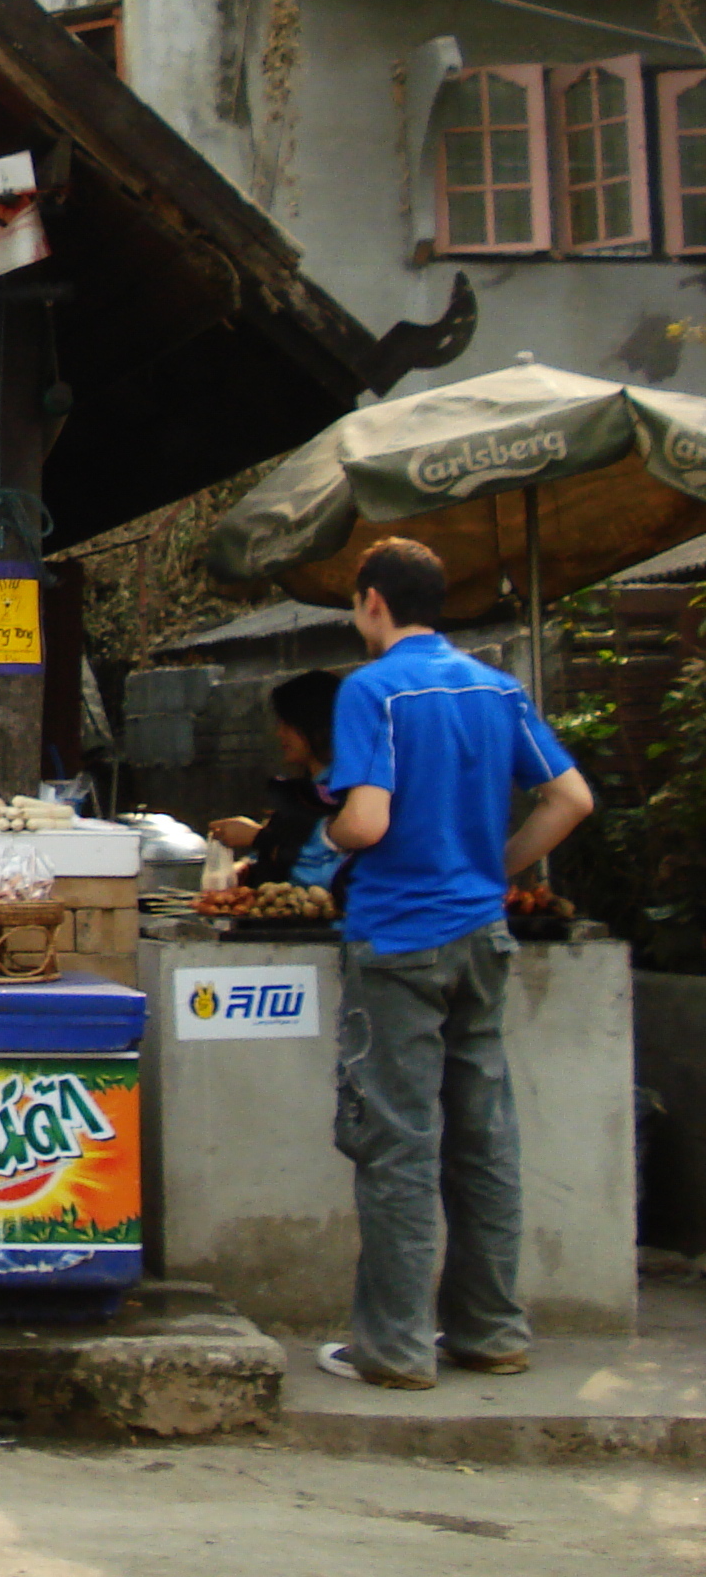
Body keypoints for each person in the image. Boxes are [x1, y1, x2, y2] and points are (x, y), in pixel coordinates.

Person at [317, 536, 596, 1389]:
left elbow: (365, 822)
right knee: (483, 1138)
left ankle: (395, 1348)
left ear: (372, 600)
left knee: (396, 1144)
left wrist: (328, 838)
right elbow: (571, 797)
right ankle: (489, 1331)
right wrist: (499, 869)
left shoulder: (373, 690)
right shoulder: (497, 687)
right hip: (482, 940)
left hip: (399, 939)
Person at [209, 668, 346, 890]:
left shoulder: (343, 794)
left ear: (315, 725)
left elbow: (320, 875)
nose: (279, 733)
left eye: (288, 724)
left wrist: (258, 838)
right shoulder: (304, 791)